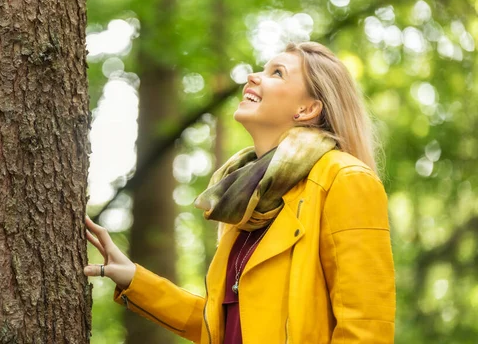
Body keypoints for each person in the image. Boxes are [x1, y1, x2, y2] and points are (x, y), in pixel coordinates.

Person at [84, 41, 396, 343]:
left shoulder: (345, 179)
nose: (253, 76)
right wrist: (133, 278)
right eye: (263, 69)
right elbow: (217, 325)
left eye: (277, 73)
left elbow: (366, 328)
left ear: (307, 108)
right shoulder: (243, 200)